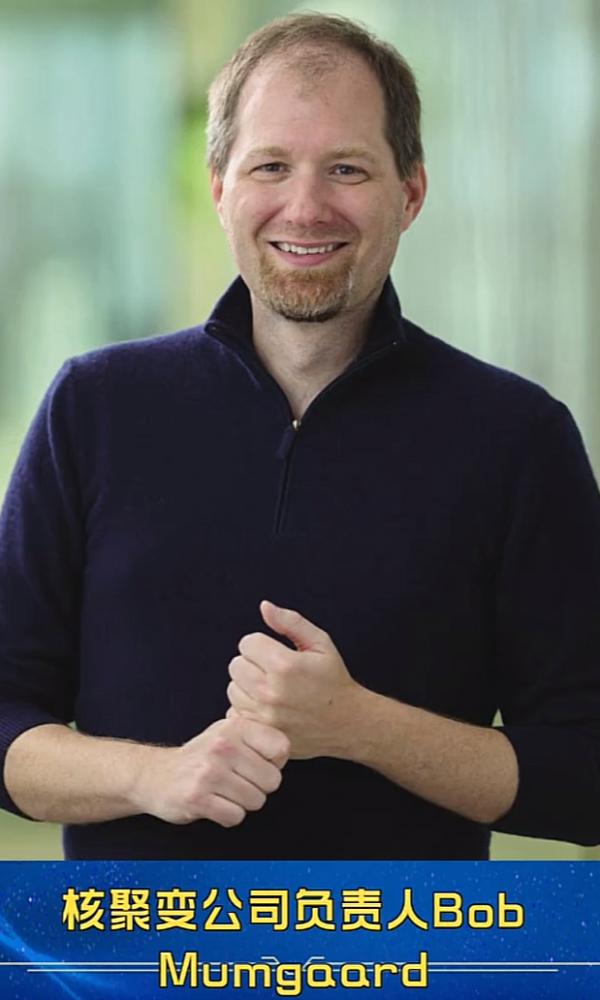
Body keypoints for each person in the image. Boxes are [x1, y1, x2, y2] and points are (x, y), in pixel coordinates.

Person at [1, 12, 600, 861]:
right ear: (220, 188)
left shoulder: (518, 438)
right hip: (133, 944)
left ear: (411, 193)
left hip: (401, 945)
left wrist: (359, 726)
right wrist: (153, 777)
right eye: (270, 166)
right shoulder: (92, 409)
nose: (306, 207)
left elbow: (584, 773)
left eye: (347, 169)